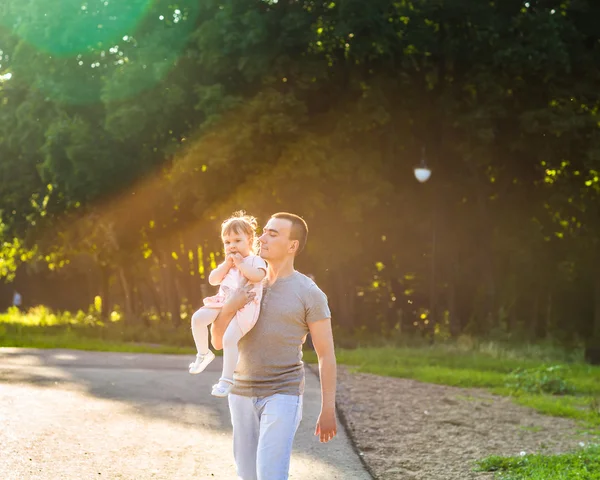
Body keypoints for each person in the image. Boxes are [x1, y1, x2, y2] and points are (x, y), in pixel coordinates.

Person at [210, 212, 337, 480]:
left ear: (292, 245)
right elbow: (218, 341)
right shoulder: (241, 280)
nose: (263, 238)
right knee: (247, 475)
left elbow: (326, 355)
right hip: (240, 392)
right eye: (264, 231)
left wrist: (328, 409)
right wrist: (230, 306)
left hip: (283, 393)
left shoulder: (309, 293)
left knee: (270, 475)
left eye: (273, 233)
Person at [189, 212, 267, 397]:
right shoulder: (228, 263)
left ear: (250, 240)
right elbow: (213, 280)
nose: (232, 246)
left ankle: (226, 380)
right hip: (223, 301)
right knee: (198, 318)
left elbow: (257, 276)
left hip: (246, 307)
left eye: (237, 240)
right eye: (227, 242)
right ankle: (203, 353)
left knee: (228, 339)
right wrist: (226, 264)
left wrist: (240, 264)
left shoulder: (254, 260)